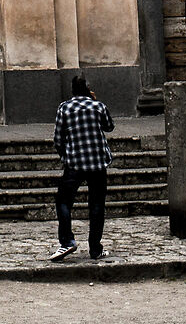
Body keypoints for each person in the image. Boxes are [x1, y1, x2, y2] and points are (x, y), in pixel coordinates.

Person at [51, 76, 113, 261]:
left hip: (75, 163)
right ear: (87, 88)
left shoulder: (65, 108)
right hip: (97, 163)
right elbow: (109, 127)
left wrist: (65, 156)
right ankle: (95, 249)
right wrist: (95, 102)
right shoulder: (98, 106)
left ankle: (67, 241)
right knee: (96, 205)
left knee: (63, 201)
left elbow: (58, 139)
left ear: (72, 90)